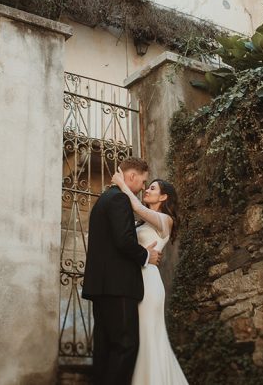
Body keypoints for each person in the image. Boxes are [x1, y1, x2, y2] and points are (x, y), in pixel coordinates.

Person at [83, 157, 162, 385]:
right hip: (117, 286)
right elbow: (124, 241)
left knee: (105, 350)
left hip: (102, 287)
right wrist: (147, 255)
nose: (143, 187)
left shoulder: (104, 199)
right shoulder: (119, 199)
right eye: (143, 181)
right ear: (131, 177)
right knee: (126, 346)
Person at [110, 166, 189, 385]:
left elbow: (135, 206)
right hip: (135, 278)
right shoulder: (143, 223)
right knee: (137, 336)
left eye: (152, 188)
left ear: (163, 196)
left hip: (149, 283)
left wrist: (121, 183)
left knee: (148, 336)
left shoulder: (166, 220)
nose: (146, 190)